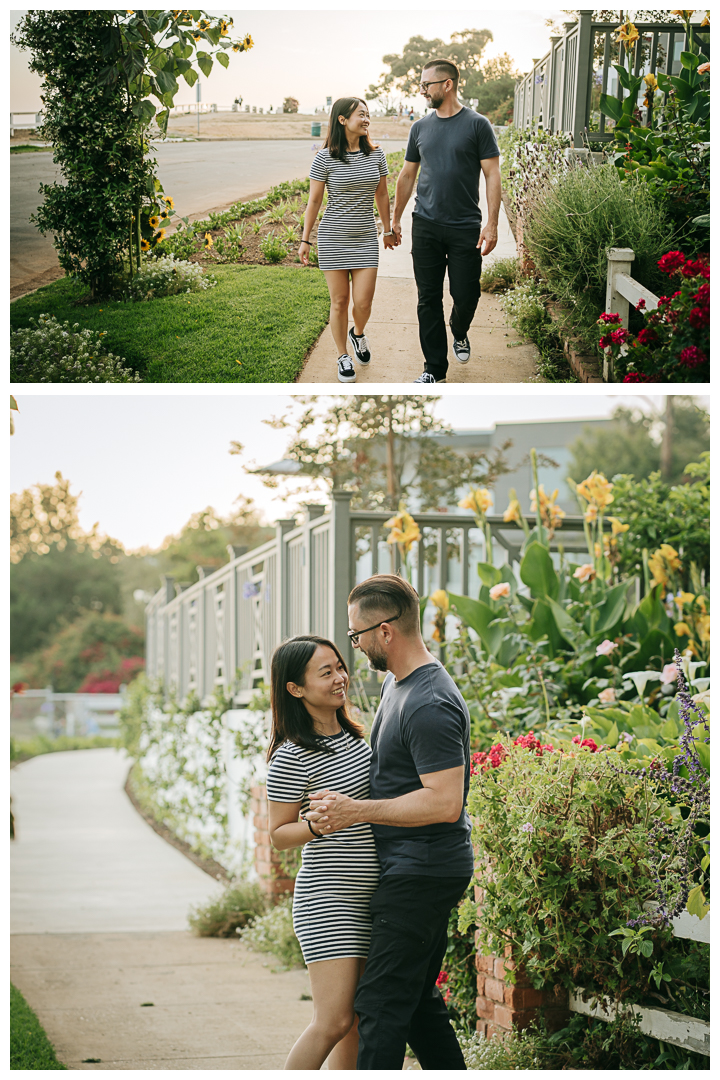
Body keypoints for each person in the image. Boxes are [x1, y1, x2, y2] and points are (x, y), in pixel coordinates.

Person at [307, 574, 473, 1070]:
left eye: (356, 635)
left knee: (378, 1008)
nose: (353, 645)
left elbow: (445, 802)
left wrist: (356, 811)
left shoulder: (429, 702)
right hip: (410, 867)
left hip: (422, 872)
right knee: (419, 1007)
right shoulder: (397, 684)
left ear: (385, 632)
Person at [265, 635, 380, 1070]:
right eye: (326, 672)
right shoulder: (292, 756)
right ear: (295, 688)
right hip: (329, 901)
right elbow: (277, 834)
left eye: (340, 667)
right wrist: (315, 825)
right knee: (331, 1021)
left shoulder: (356, 737)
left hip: (372, 896)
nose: (340, 678)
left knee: (354, 1022)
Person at [390, 59, 501, 384]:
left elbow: (492, 174)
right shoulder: (420, 128)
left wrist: (492, 224)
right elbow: (408, 174)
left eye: (428, 85)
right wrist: (395, 218)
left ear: (448, 84)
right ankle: (434, 370)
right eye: (422, 85)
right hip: (425, 224)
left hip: (465, 226)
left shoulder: (477, 124)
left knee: (467, 295)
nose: (423, 90)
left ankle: (460, 329)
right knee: (428, 299)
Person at [299, 97, 398, 383]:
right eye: (361, 115)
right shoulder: (325, 157)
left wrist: (388, 228)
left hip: (366, 236)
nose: (366, 119)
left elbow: (382, 195)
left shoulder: (376, 155)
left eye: (368, 115)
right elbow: (314, 200)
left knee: (363, 303)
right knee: (340, 301)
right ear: (342, 120)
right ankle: (343, 355)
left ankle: (358, 335)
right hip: (333, 238)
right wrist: (306, 240)